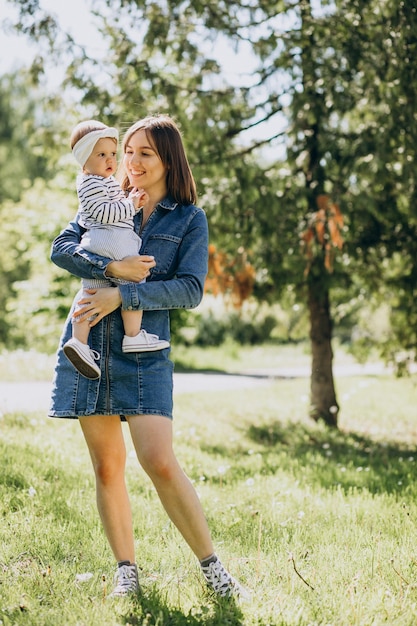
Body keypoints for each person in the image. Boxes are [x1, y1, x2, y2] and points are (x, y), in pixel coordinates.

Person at [49, 114, 248, 600]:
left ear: (168, 161)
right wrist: (108, 267)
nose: (130, 162)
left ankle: (214, 570)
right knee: (107, 466)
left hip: (145, 349)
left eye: (144, 154)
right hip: (88, 343)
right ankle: (127, 571)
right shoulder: (104, 199)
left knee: (158, 461)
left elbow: (190, 289)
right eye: (127, 151)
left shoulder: (188, 218)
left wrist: (126, 296)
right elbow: (61, 247)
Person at [63, 120, 169, 380]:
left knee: (90, 290)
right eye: (101, 155)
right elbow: (103, 215)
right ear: (84, 160)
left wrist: (129, 200)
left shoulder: (103, 183)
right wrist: (131, 205)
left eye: (113, 154)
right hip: (110, 242)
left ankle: (79, 341)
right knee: (135, 276)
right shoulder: (91, 183)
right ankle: (133, 336)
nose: (113, 160)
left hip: (101, 242)